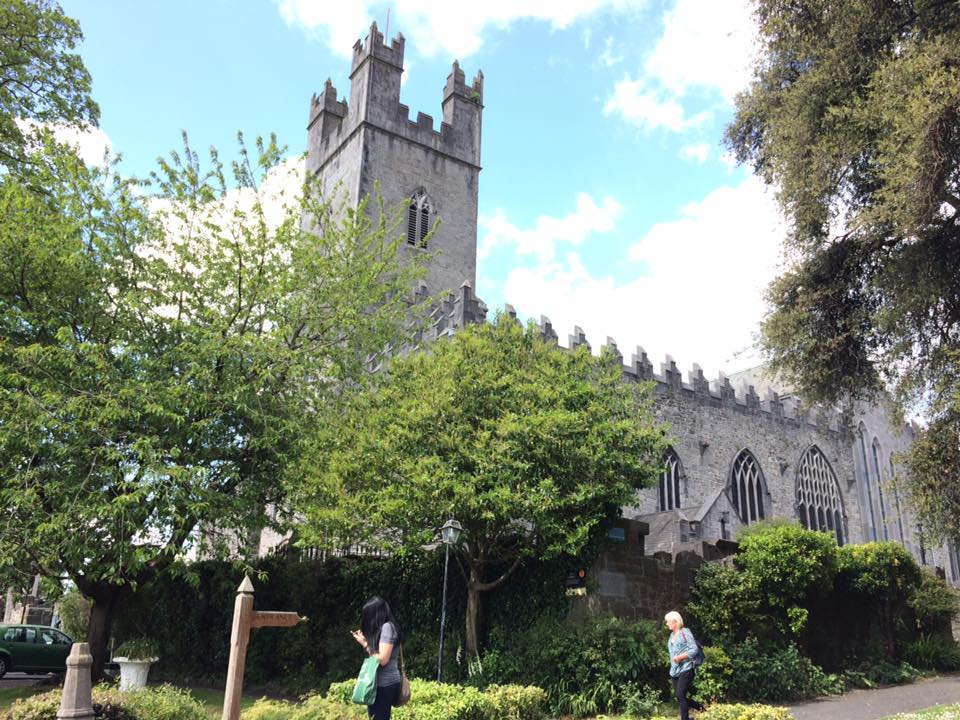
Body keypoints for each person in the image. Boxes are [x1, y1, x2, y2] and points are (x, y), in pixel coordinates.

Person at [351, 596, 402, 720]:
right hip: (387, 683)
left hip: (384, 684)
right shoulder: (389, 627)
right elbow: (378, 653)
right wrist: (366, 640)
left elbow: (382, 660)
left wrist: (365, 644)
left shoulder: (387, 627)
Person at [665, 610, 704, 720]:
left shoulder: (685, 632)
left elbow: (694, 649)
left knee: (680, 695)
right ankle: (701, 708)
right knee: (679, 697)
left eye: (668, 621)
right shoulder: (671, 636)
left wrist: (680, 657)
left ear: (675, 621)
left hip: (686, 668)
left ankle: (685, 718)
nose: (666, 624)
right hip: (674, 671)